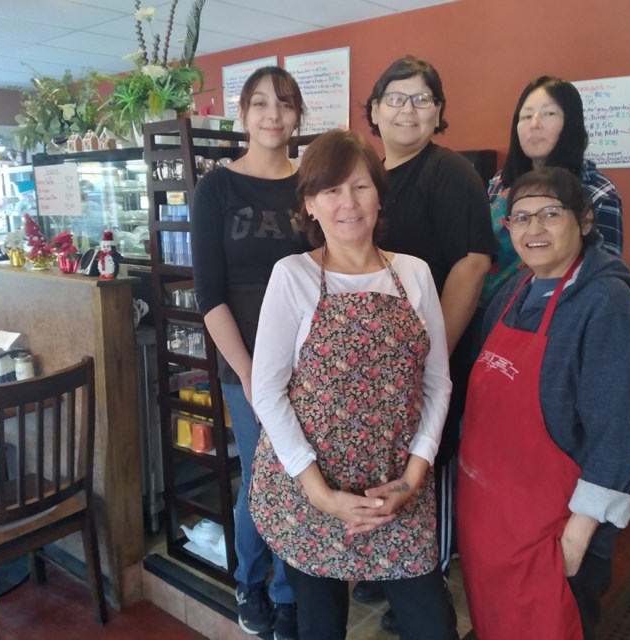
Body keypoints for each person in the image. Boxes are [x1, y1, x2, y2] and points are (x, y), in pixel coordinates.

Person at [249, 129, 458, 640]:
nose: (348, 203)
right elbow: (268, 393)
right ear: (310, 205)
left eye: (360, 186)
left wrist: (409, 482)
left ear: (379, 195)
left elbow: (438, 385)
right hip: (311, 491)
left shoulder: (415, 274)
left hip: (397, 490)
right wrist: (320, 494)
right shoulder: (292, 276)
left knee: (434, 625)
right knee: (321, 628)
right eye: (331, 190)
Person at [458, 167, 630, 640]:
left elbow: (619, 430)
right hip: (492, 520)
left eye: (549, 214)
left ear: (584, 220)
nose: (532, 229)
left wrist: (580, 532)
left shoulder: (605, 303)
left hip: (555, 529)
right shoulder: (512, 292)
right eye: (519, 218)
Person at [355, 54, 497, 632]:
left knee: (424, 464)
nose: (408, 109)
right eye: (396, 97)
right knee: (385, 456)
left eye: (422, 99)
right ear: (374, 110)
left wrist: (432, 352)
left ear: (439, 112)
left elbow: (472, 262)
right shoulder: (368, 175)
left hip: (428, 359)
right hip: (373, 363)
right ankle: (385, 566)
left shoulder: (450, 171)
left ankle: (424, 583)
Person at [190, 66, 307, 640]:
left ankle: (288, 592)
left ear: (297, 116)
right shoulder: (216, 188)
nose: (272, 115)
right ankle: (250, 580)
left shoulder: (309, 186)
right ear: (242, 114)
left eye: (284, 104)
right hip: (246, 362)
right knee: (264, 473)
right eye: (260, 103)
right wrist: (251, 373)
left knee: (300, 471)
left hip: (309, 363)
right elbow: (209, 293)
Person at [476, 76, 624, 323]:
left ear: (571, 124)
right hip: (489, 316)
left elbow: (602, 271)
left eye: (549, 114)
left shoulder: (597, 191)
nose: (535, 124)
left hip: (556, 321)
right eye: (526, 116)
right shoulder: (500, 182)